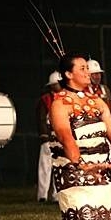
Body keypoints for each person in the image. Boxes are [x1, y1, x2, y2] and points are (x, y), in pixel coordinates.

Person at [49, 52, 111, 220]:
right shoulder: (60, 103)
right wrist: (81, 164)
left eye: (87, 68)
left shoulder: (98, 101)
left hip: (103, 169)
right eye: (82, 68)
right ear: (68, 74)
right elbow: (65, 137)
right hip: (73, 169)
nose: (88, 72)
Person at [36, 70, 62, 203]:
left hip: (61, 136)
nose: (59, 85)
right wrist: (44, 136)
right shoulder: (45, 99)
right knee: (45, 167)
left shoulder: (65, 97)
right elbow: (41, 119)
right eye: (57, 83)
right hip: (49, 136)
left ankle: (57, 195)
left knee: (60, 166)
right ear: (51, 85)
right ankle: (42, 195)